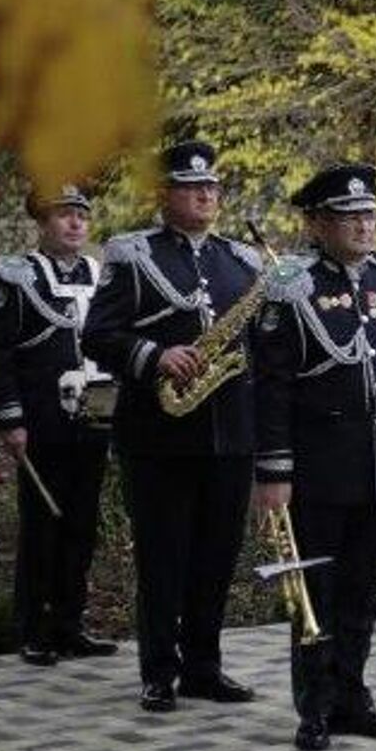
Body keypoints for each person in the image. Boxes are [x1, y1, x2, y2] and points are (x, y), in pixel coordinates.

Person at [253, 164, 376, 751]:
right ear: (319, 223)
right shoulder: (291, 285)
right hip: (318, 468)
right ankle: (315, 706)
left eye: (370, 215)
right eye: (350, 216)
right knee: (317, 595)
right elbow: (271, 385)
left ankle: (354, 697)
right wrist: (274, 469)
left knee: (361, 594)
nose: (364, 226)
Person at [82, 140, 259, 714]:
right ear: (165, 195)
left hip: (228, 432)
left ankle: (204, 667)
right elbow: (98, 336)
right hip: (158, 437)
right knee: (163, 557)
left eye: (212, 187)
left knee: (216, 556)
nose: (207, 194)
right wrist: (155, 355)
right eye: (192, 186)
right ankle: (159, 670)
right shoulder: (133, 255)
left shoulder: (242, 262)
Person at [0, 184, 115, 667]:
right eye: (64, 215)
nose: (76, 223)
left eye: (81, 215)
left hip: (98, 409)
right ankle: (33, 628)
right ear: (42, 222)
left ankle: (70, 624)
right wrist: (10, 419)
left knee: (81, 522)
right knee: (43, 522)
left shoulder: (102, 274)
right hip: (43, 417)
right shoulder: (17, 277)